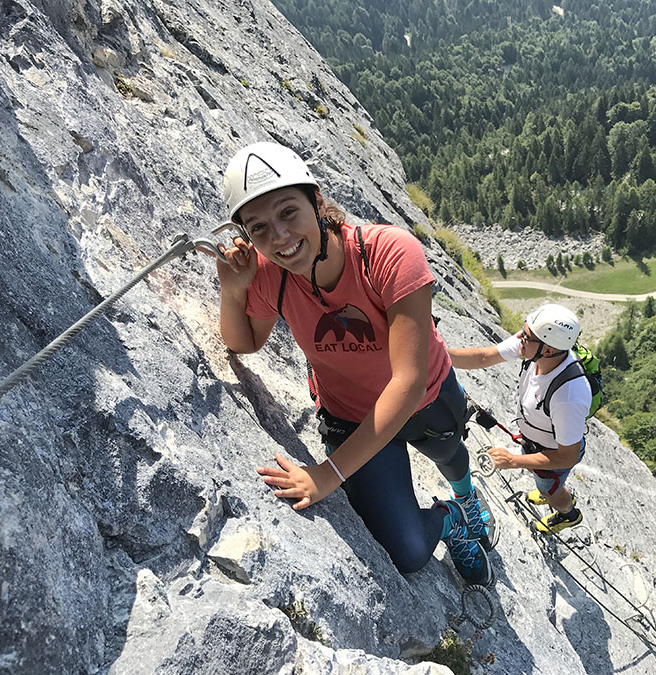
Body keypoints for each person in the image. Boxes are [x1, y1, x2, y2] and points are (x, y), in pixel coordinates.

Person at [208, 141, 497, 585]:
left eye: (288, 212)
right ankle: (452, 518)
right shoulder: (271, 275)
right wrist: (233, 288)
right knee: (407, 552)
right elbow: (244, 343)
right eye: (259, 228)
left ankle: (466, 496)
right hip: (350, 413)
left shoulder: (388, 253)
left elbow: (410, 382)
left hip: (425, 398)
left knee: (449, 453)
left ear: (317, 202)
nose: (279, 237)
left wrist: (328, 474)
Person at [449, 304, 590, 534]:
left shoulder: (569, 395)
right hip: (537, 441)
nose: (518, 338)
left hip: (552, 453)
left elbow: (567, 456)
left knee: (549, 490)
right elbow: (483, 357)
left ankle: (568, 512)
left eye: (526, 336)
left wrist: (513, 461)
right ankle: (550, 491)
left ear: (548, 350)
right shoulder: (535, 348)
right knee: (544, 483)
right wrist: (437, 356)